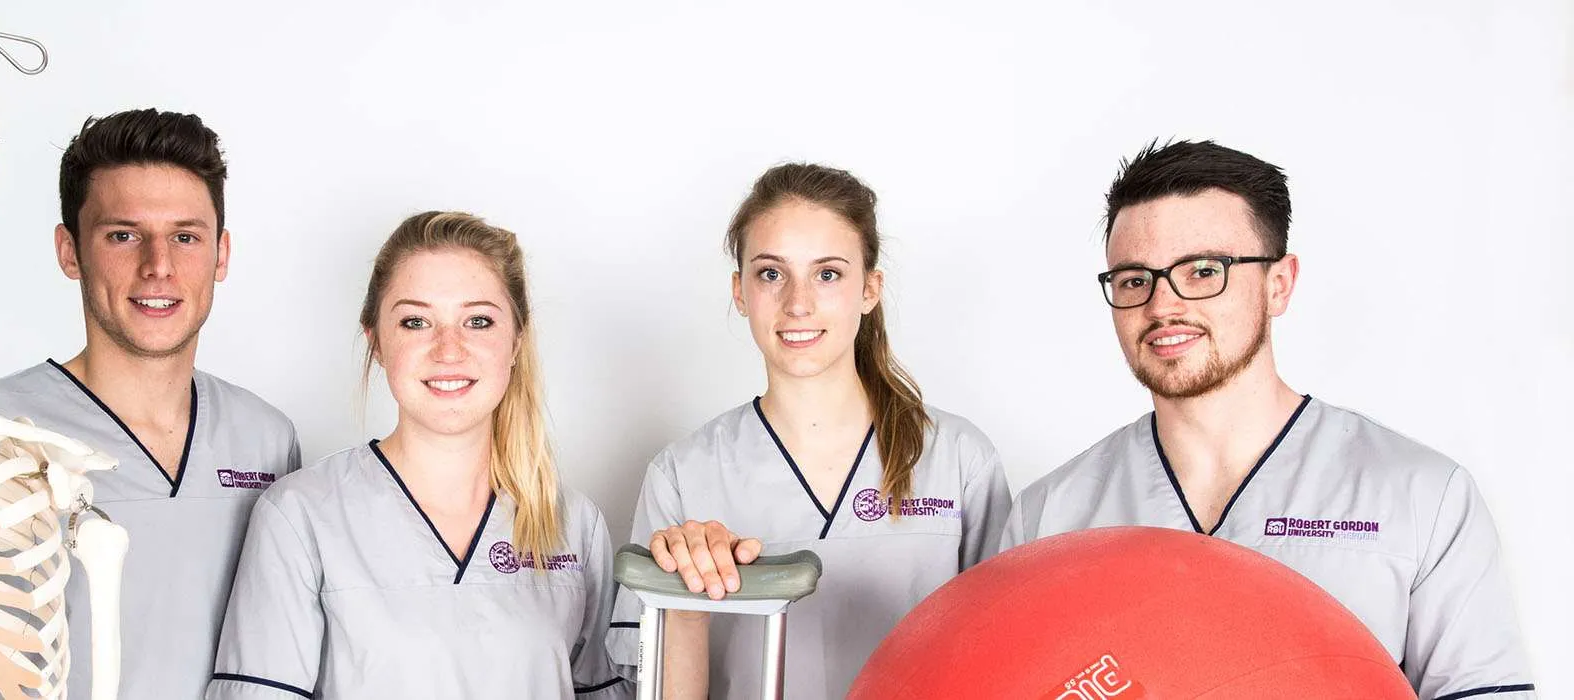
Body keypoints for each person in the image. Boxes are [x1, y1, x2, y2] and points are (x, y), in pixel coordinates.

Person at [999, 139, 1535, 699]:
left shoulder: (1420, 495)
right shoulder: (1047, 518)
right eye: (1135, 280)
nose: (1162, 306)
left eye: (1204, 271)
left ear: (1279, 284)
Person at [0, 108, 302, 700]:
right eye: (122, 235)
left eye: (186, 236)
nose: (158, 265)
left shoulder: (266, 439)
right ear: (70, 251)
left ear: (221, 255)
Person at [612, 163, 1012, 699]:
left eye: (827, 274)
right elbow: (657, 688)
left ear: (869, 289)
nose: (798, 303)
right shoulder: (683, 475)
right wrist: (685, 602)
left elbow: (1009, 659)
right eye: (771, 273)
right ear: (740, 291)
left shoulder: (959, 460)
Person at [204, 211, 630, 699]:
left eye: (478, 321)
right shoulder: (300, 517)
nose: (449, 350)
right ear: (378, 342)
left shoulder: (572, 525)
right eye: (416, 321)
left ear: (516, 340)